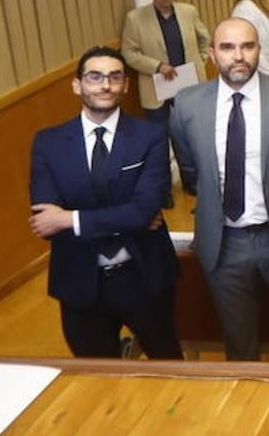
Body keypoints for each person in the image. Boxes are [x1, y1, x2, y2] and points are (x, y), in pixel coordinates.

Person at [170, 18, 269, 361]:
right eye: (228, 47)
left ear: (260, 50)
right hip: (224, 242)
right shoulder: (186, 104)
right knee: (238, 340)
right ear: (212, 54)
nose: (238, 56)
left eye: (248, 46)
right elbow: (191, 170)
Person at [29, 46, 182, 359]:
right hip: (80, 278)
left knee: (168, 365)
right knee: (97, 376)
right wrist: (127, 215)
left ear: (125, 85)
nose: (105, 85)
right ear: (77, 84)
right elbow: (46, 223)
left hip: (143, 275)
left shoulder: (150, 136)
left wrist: (70, 219)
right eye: (95, 77)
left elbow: (144, 210)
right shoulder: (48, 142)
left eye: (114, 77)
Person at [120, 0, 210, 138]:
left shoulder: (188, 11)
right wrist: (157, 66)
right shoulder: (135, 18)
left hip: (188, 81)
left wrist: (200, 60)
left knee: (194, 131)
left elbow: (204, 38)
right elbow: (128, 53)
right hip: (156, 86)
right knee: (159, 135)